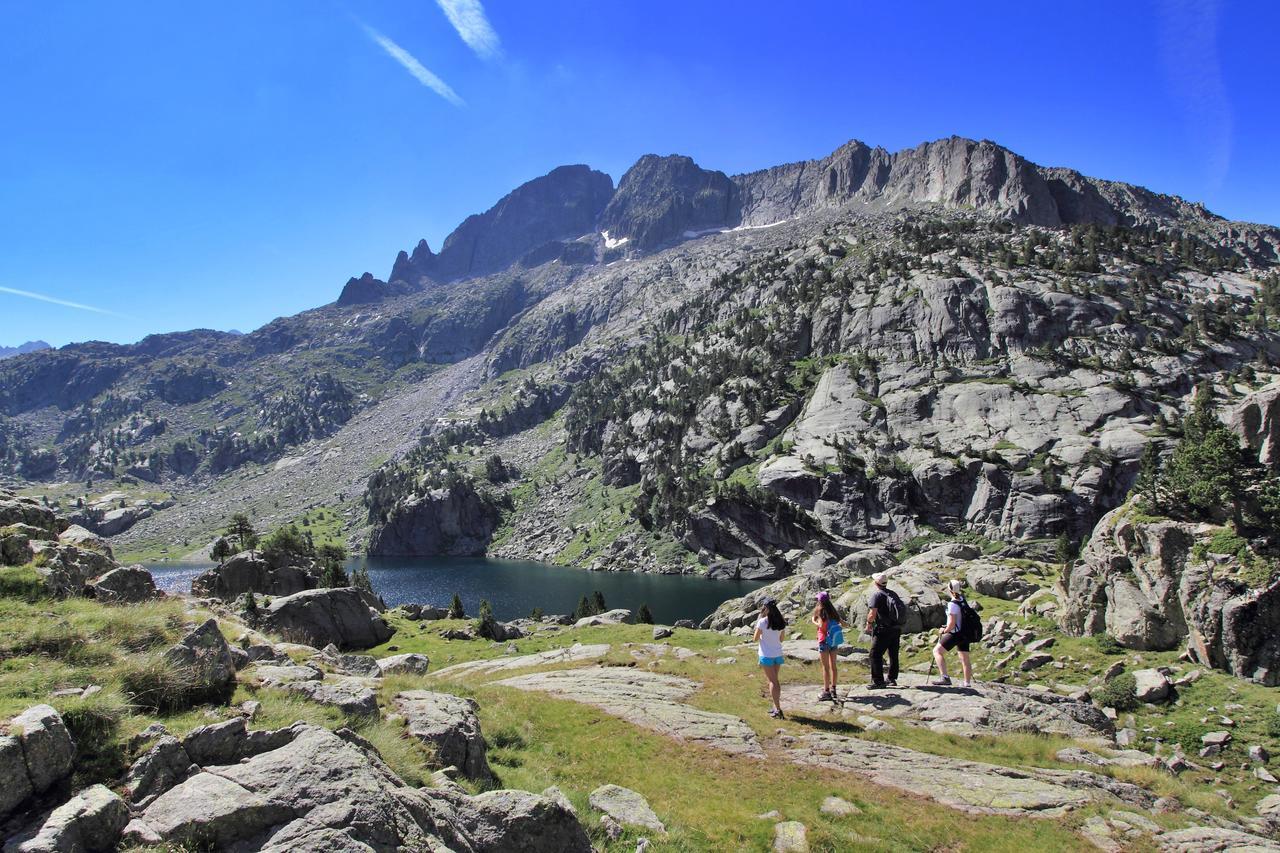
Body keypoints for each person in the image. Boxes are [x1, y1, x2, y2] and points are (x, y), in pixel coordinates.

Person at [933, 578, 974, 688]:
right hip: (965, 633)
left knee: (937, 651)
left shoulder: (952, 604)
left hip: (955, 634)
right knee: (964, 658)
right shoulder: (962, 599)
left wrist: (944, 630)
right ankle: (967, 683)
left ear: (949, 590)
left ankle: (945, 677)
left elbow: (951, 624)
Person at [864, 572, 902, 688]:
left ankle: (878, 681)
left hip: (883, 629)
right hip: (896, 628)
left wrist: (869, 624)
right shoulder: (893, 594)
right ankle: (892, 679)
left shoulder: (877, 595)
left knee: (875, 654)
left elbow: (872, 613)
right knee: (893, 654)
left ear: (876, 583)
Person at [753, 598, 787, 718]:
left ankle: (778, 709)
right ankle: (775, 706)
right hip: (777, 654)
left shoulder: (762, 621)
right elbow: (781, 639)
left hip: (766, 655)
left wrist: (763, 635)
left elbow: (755, 638)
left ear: (766, 608)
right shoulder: (781, 621)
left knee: (773, 681)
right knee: (775, 680)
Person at [811, 591, 844, 701]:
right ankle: (833, 688)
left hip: (824, 641)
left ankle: (826, 691)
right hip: (833, 642)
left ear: (820, 601)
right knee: (833, 665)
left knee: (825, 667)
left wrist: (813, 621)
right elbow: (843, 623)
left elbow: (821, 625)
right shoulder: (833, 612)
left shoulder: (821, 611)